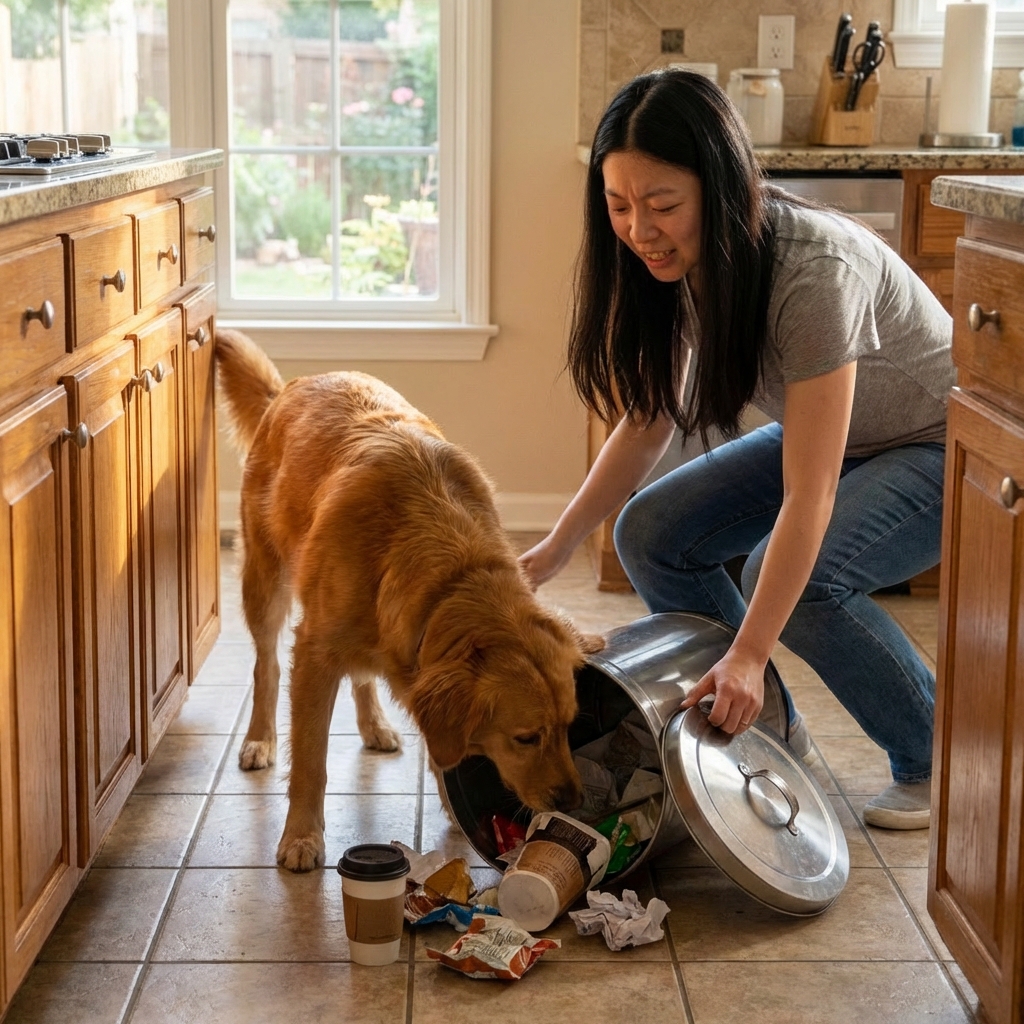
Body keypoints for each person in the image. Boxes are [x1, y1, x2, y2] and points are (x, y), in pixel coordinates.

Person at [520, 69, 953, 831]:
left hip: (941, 445)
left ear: (718, 190)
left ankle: (937, 759)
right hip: (846, 436)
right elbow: (649, 418)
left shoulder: (813, 270)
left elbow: (809, 495)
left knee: (805, 580)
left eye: (662, 206)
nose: (638, 229)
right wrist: (557, 545)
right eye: (619, 206)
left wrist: (751, 649)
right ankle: (773, 732)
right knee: (651, 536)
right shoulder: (677, 263)